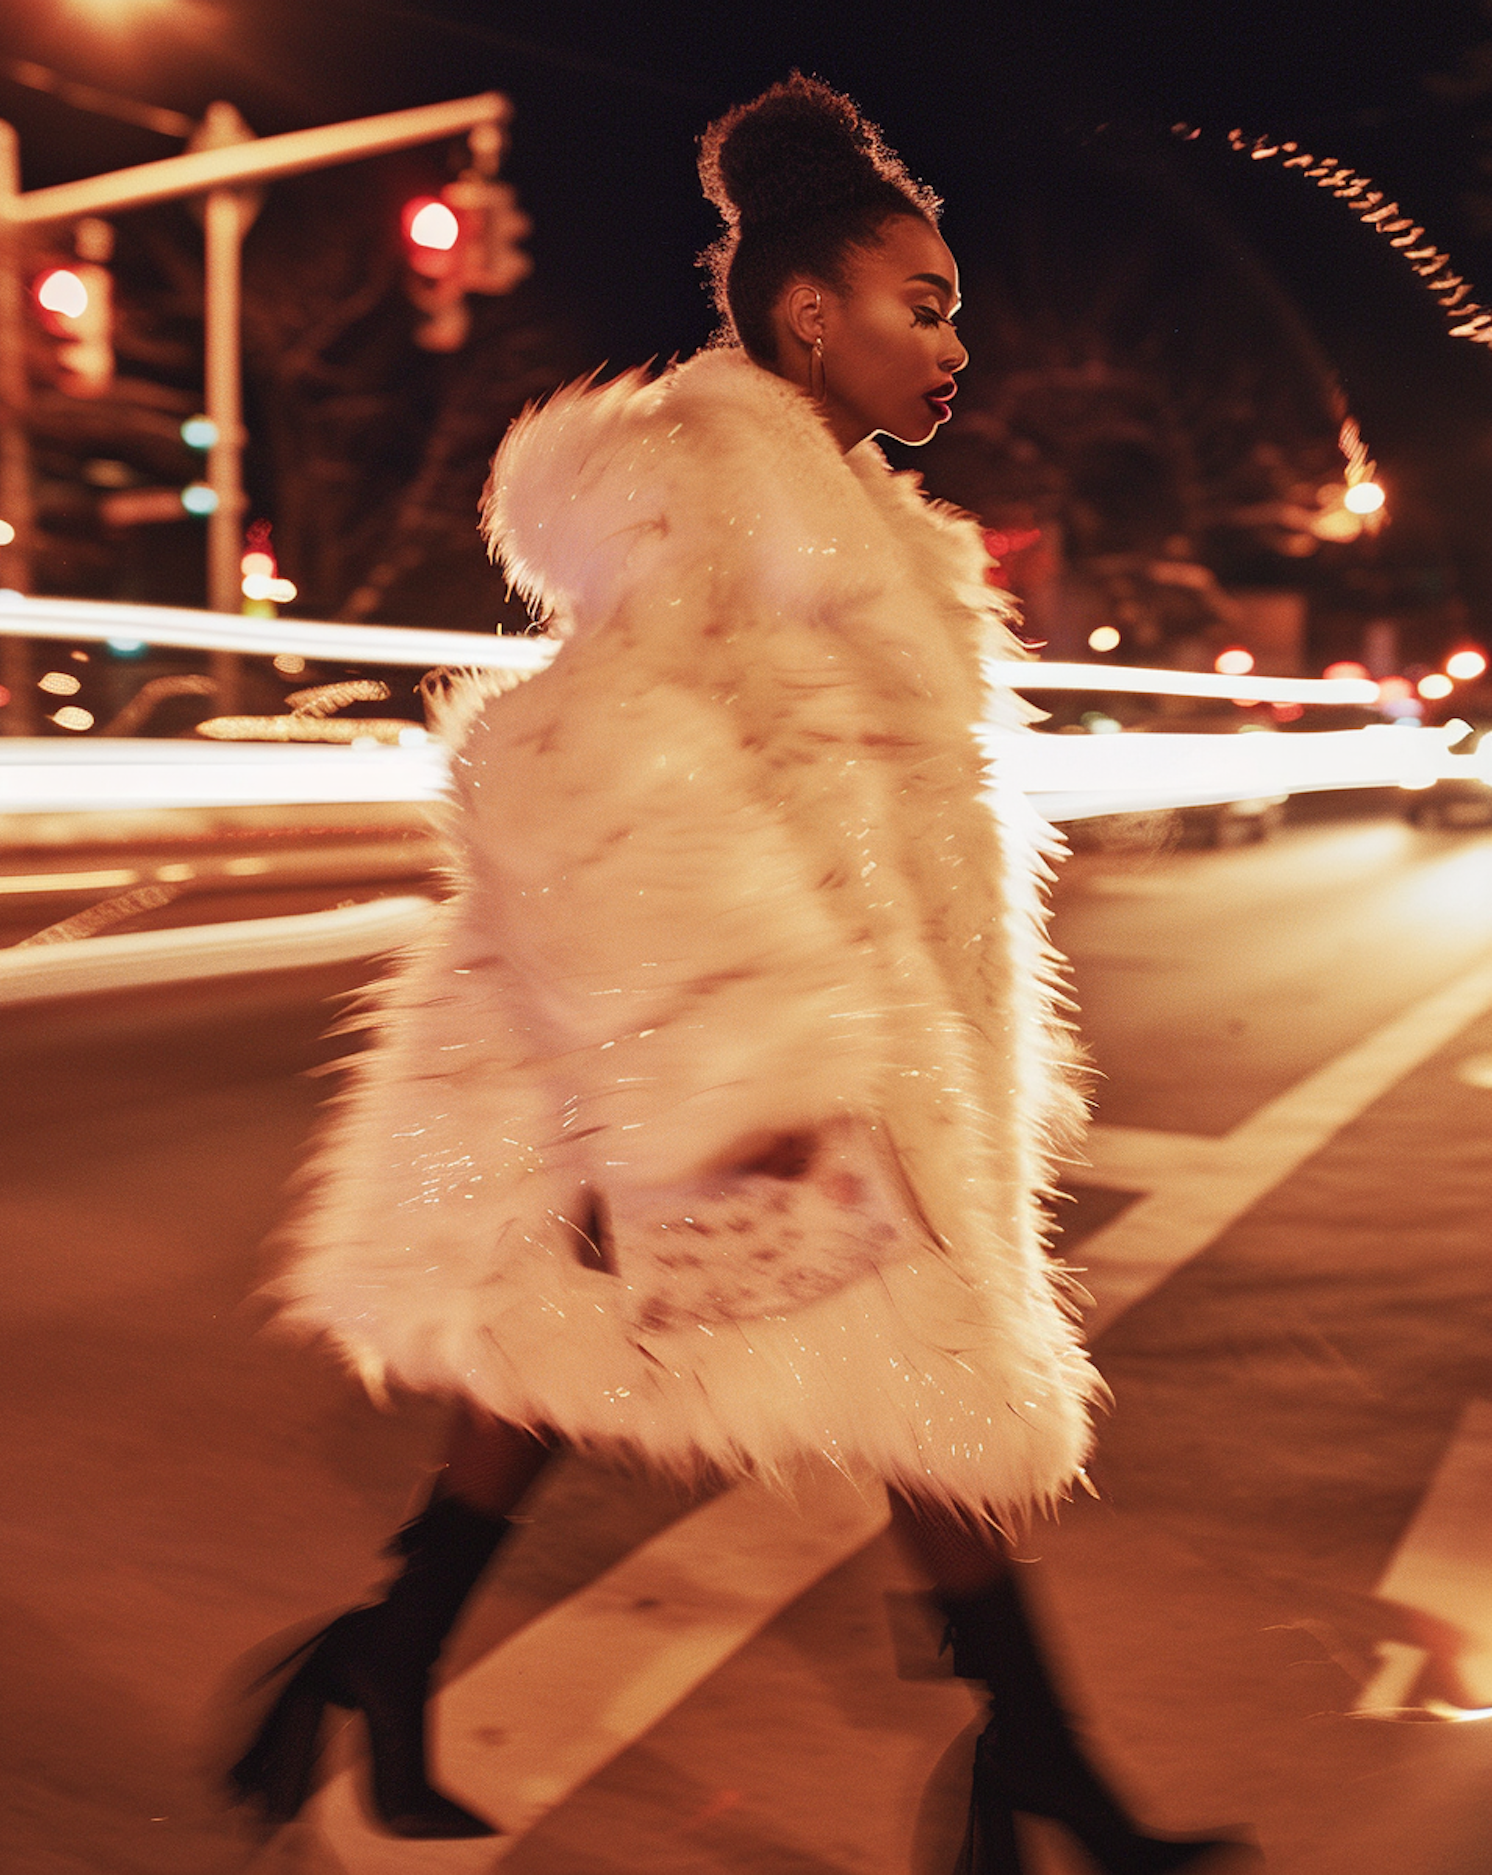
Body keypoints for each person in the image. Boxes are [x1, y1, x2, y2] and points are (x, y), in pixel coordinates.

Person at [229, 75, 1259, 1874]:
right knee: (913, 1376)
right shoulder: (709, 480)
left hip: (789, 1034)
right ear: (806, 309)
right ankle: (1045, 1767)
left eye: (957, 311)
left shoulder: (873, 528)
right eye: (922, 305)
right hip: (712, 1036)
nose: (957, 344)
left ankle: (383, 1658)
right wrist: (717, 1059)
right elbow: (565, 754)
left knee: (611, 1367)